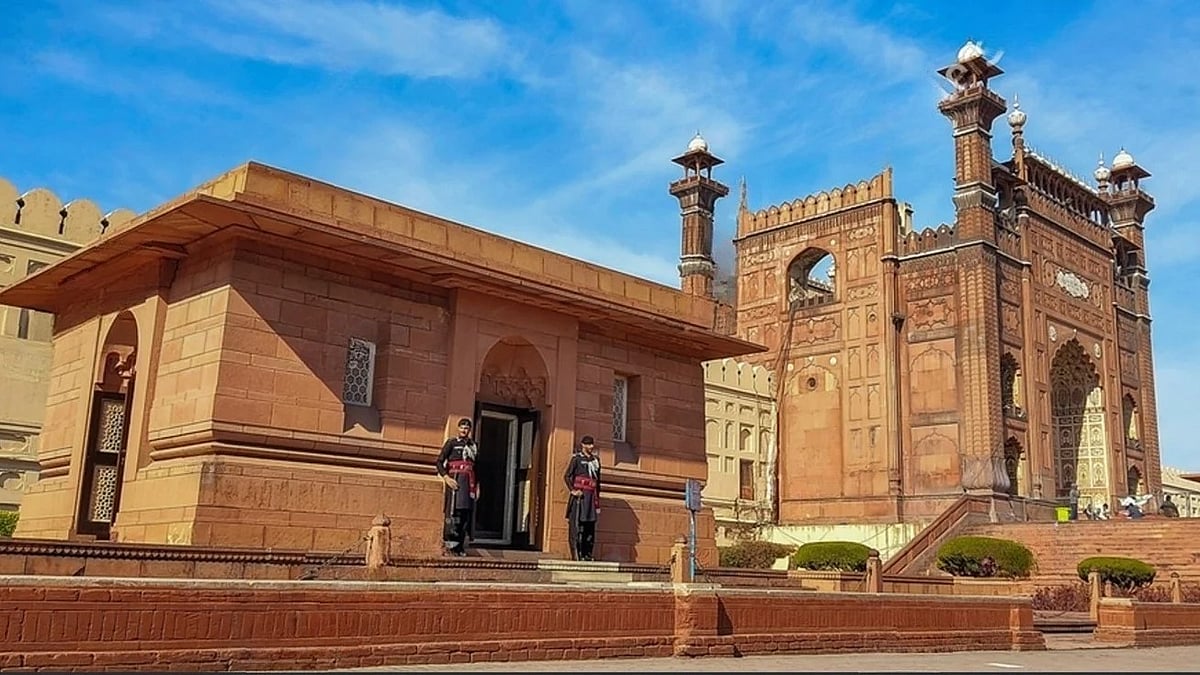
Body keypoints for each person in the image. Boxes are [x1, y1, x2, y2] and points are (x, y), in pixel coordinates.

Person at [436, 417, 479, 556]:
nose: (464, 430)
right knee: (453, 513)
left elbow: (477, 467)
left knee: (466, 514)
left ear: (470, 430)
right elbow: (439, 461)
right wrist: (446, 477)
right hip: (455, 480)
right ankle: (450, 545)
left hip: (469, 482)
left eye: (467, 428)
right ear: (458, 428)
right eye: (462, 427)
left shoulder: (473, 445)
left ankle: (460, 546)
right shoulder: (452, 443)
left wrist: (477, 486)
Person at [564, 435, 601, 561]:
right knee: (578, 525)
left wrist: (597, 501)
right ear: (583, 445)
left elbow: (598, 482)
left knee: (590, 526)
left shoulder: (595, 461)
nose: (591, 447)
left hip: (591, 498)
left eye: (592, 444)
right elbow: (567, 476)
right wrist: (573, 491)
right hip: (580, 498)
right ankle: (577, 553)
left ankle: (588, 554)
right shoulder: (576, 459)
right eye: (588, 444)